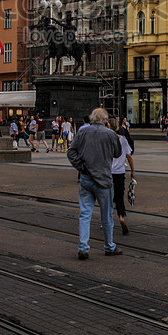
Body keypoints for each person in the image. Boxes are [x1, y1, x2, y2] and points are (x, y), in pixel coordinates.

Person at [66, 108, 121, 260]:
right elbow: (117, 153)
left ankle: (83, 247)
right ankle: (109, 246)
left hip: (86, 178)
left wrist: (81, 167)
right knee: (106, 215)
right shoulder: (110, 134)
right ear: (105, 120)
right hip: (104, 180)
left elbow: (71, 152)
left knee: (84, 214)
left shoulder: (83, 132)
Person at [111, 119, 135, 236]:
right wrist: (133, 171)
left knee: (107, 196)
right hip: (120, 172)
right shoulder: (123, 139)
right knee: (119, 196)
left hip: (107, 173)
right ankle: (121, 217)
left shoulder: (106, 139)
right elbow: (129, 156)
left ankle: (106, 220)